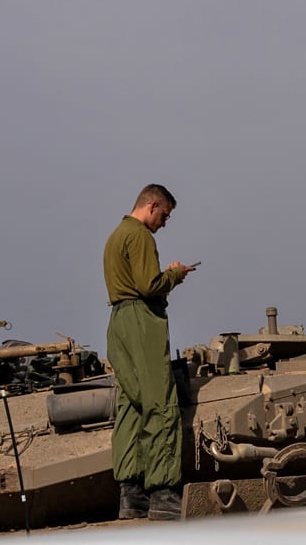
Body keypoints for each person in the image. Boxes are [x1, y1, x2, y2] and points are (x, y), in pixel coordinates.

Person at [103, 183, 197, 521]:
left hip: (118, 323)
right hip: (142, 321)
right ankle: (163, 494)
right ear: (152, 205)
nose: (164, 223)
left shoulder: (116, 235)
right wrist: (175, 274)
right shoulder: (141, 236)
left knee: (131, 405)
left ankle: (131, 496)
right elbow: (148, 285)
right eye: (165, 216)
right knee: (161, 404)